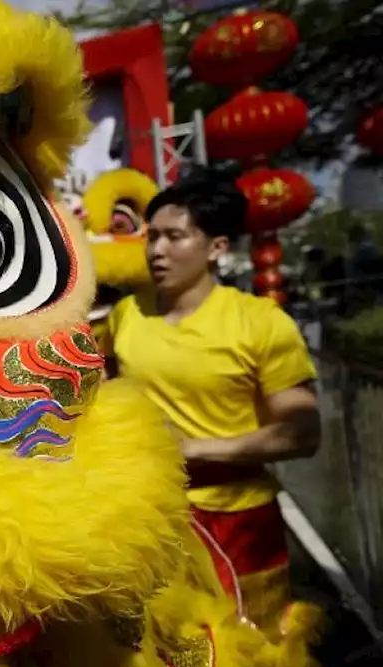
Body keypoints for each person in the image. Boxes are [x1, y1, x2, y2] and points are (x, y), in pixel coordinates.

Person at [105, 175, 321, 630]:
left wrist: (194, 449)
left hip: (238, 519)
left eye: (175, 237)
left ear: (217, 248)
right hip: (151, 513)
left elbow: (302, 433)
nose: (156, 250)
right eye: (153, 236)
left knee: (254, 660)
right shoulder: (127, 314)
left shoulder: (261, 323)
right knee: (164, 656)